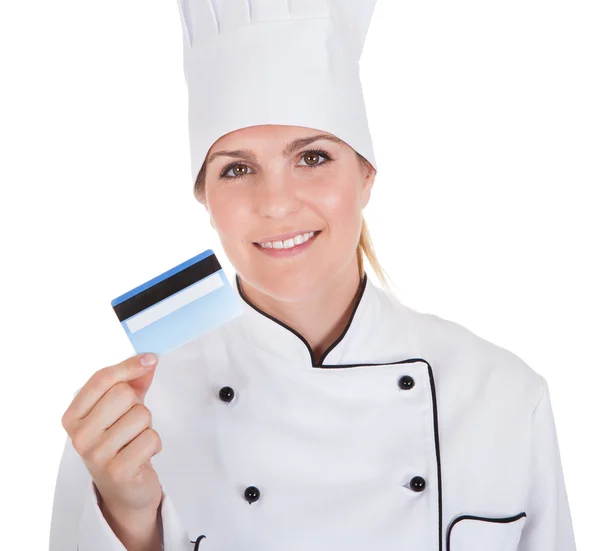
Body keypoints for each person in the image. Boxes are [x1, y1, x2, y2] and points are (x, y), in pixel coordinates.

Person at [49, 1, 577, 550]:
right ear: (205, 198)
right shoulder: (135, 415)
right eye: (237, 168)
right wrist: (130, 520)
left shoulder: (504, 396)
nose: (276, 204)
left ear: (366, 174)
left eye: (313, 158)